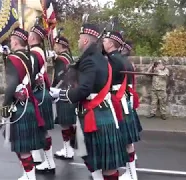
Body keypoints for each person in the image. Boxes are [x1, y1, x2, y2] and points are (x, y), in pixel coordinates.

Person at [50, 23, 129, 180]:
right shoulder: (99, 58)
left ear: (85, 41)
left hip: (95, 114)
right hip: (98, 113)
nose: (78, 41)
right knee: (88, 154)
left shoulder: (90, 60)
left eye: (80, 38)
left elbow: (84, 89)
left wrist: (61, 94)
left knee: (106, 165)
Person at [0, 27, 46, 180]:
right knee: (23, 145)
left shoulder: (13, 59)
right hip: (30, 103)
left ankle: (30, 177)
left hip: (19, 106)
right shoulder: (31, 56)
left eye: (11, 40)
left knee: (22, 146)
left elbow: (11, 84)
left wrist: (5, 105)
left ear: (14, 41)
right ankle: (28, 175)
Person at [103, 32, 140, 180]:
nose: (103, 43)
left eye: (105, 40)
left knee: (119, 143)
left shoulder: (111, 61)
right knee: (128, 142)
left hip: (117, 103)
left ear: (111, 44)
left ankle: (128, 174)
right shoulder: (125, 61)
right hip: (126, 102)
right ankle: (132, 174)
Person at [28, 25, 56, 174]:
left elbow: (30, 76)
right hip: (42, 92)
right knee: (40, 129)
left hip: (37, 95)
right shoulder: (40, 52)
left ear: (32, 38)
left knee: (41, 130)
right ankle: (39, 156)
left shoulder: (33, 53)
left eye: (29, 35)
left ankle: (49, 162)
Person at [51, 36, 77, 160]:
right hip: (70, 92)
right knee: (68, 123)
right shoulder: (68, 57)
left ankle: (68, 150)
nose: (54, 47)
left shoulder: (61, 60)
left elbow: (59, 77)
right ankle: (70, 148)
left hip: (62, 92)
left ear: (61, 46)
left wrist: (52, 89)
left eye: (56, 45)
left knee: (64, 123)